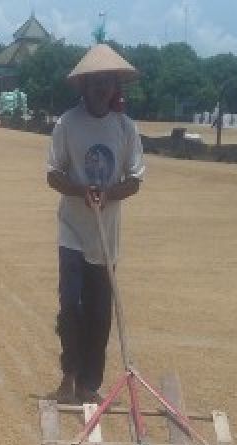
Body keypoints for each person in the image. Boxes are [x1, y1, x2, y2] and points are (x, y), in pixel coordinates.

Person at [45, 44, 144, 404]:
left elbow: (135, 179)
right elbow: (53, 175)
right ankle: (69, 373)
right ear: (83, 87)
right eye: (95, 82)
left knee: (101, 311)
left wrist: (110, 193)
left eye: (108, 82)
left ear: (115, 88)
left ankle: (90, 382)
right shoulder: (67, 124)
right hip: (72, 229)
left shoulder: (126, 128)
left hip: (107, 236)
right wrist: (80, 190)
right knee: (72, 304)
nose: (102, 88)